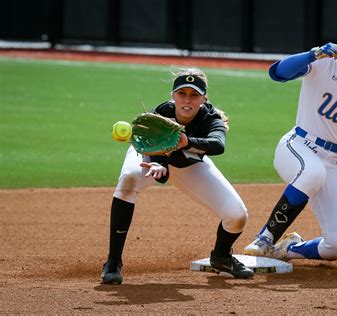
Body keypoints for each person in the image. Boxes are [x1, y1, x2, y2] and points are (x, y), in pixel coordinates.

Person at [244, 17, 337, 262]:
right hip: (298, 146)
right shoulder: (325, 64)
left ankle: (286, 249)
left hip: (335, 163)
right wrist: (313, 54)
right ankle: (266, 237)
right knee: (313, 173)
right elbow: (277, 73)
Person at [101, 67, 254, 283]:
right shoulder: (162, 112)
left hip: (188, 166)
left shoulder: (211, 118)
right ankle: (113, 262)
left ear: (204, 98)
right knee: (129, 179)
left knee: (237, 216)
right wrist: (158, 164)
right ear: (173, 95)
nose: (187, 100)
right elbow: (151, 146)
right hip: (150, 158)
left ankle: (221, 256)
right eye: (182, 93)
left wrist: (187, 142)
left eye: (194, 95)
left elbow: (218, 145)